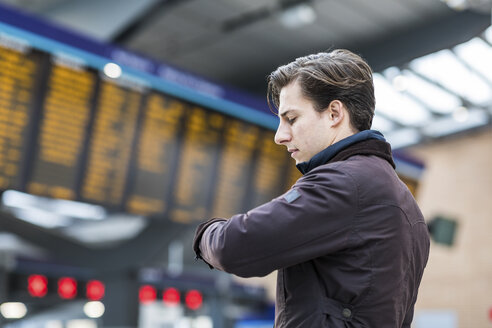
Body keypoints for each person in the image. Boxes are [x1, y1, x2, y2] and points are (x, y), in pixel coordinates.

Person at [193, 49, 430, 327]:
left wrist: (204, 233)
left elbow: (232, 247)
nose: (280, 136)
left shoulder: (343, 184)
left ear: (334, 113)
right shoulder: (404, 202)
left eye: (291, 119)